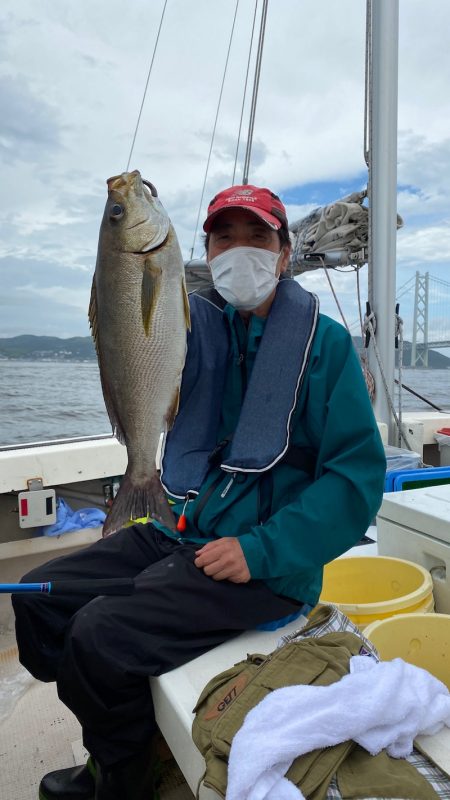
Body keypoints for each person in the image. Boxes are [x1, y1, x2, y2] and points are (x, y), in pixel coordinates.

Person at [12, 184, 386, 800]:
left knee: (99, 632)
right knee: (36, 598)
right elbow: (134, 340)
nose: (240, 250)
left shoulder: (325, 348)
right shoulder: (192, 329)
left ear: (285, 253)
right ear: (205, 250)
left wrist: (259, 553)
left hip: (266, 566)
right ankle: (117, 720)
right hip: (178, 528)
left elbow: (355, 482)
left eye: (258, 237)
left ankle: (120, 775)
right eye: (224, 237)